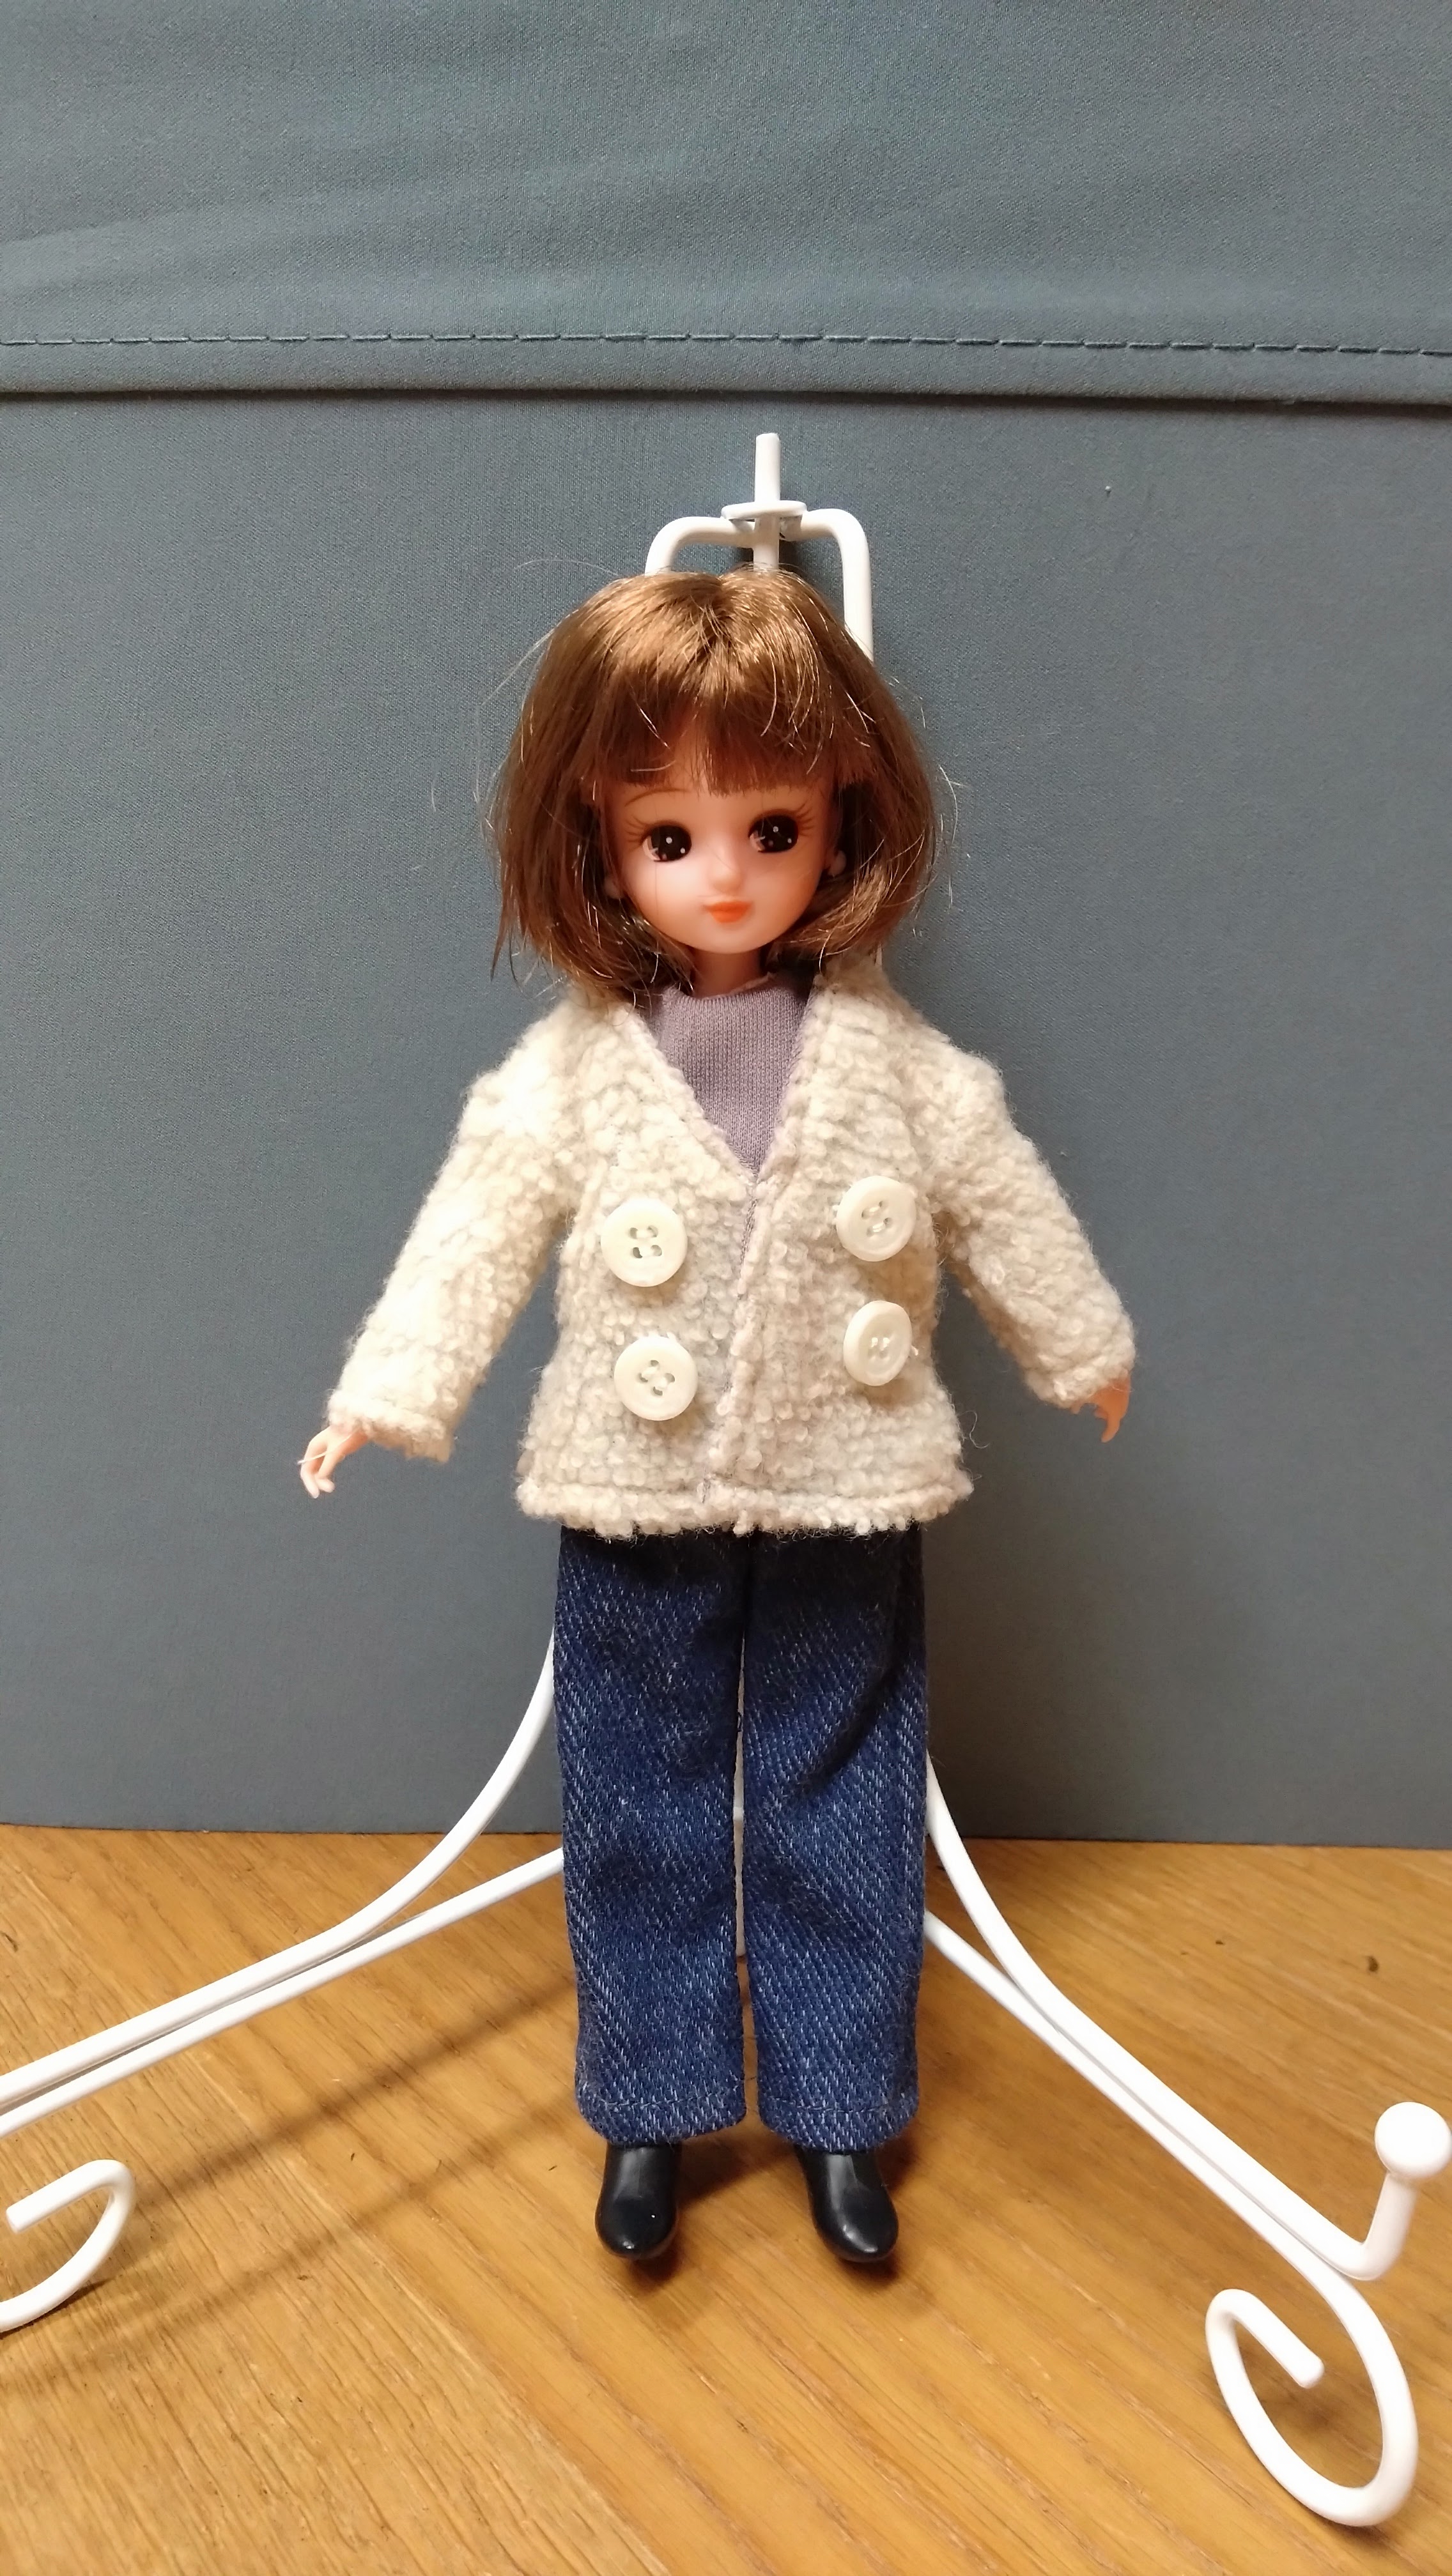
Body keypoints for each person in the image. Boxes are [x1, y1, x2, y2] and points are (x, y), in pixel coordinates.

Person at [300, 567, 1133, 2266]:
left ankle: (840, 2113)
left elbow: (997, 1193)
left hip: (848, 1485)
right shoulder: (576, 1067)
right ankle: (652, 2109)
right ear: (599, 845)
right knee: (638, 1801)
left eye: (774, 828)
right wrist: (391, 1391)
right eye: (670, 837)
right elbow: (476, 1228)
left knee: (844, 1795)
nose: (729, 874)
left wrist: (1080, 1347)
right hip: (635, 1490)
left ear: (844, 824)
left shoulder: (895, 1062)